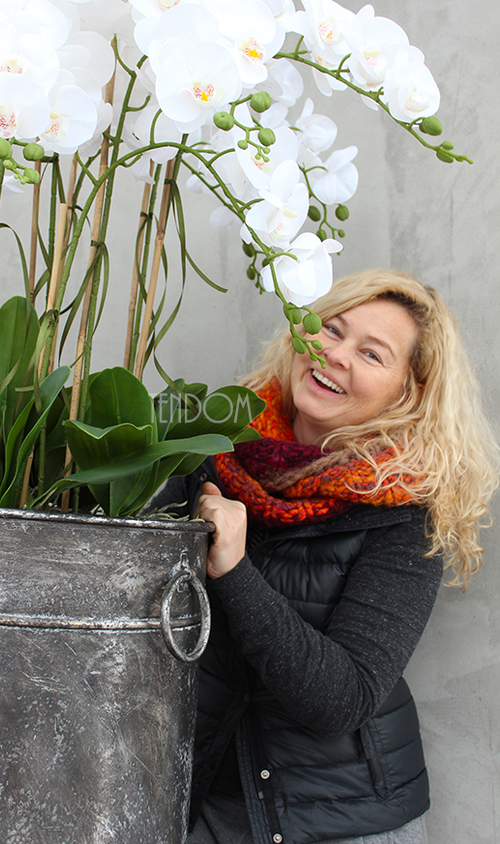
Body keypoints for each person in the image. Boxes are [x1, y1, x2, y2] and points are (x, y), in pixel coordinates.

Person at [153, 270, 498, 844]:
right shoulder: (211, 450)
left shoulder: (403, 513)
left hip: (342, 820)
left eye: (371, 353)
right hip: (205, 802)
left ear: (407, 392)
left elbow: (345, 700)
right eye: (329, 329)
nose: (335, 355)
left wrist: (235, 572)